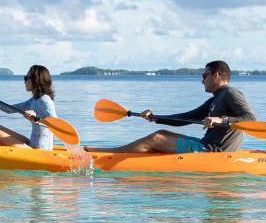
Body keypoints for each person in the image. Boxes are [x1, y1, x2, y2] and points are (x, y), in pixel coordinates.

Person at [106, 60, 255, 154]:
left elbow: (251, 120)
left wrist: (221, 120)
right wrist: (155, 117)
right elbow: (185, 118)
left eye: (205, 76)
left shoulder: (231, 93)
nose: (202, 81)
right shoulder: (215, 100)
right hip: (205, 145)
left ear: (216, 75)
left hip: (214, 152)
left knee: (156, 139)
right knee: (161, 132)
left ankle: (108, 155)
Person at [0, 64, 61, 150]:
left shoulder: (45, 100)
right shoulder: (33, 101)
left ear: (36, 80)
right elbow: (8, 109)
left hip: (41, 150)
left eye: (27, 78)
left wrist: (36, 119)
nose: (24, 81)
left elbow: (55, 124)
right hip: (32, 144)